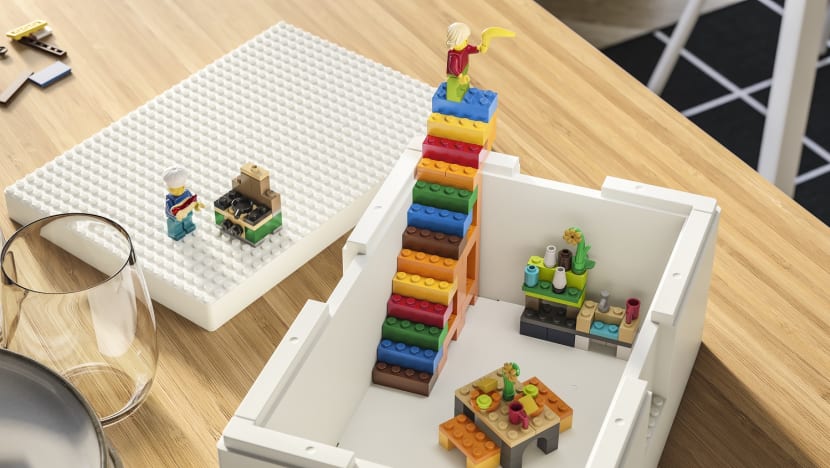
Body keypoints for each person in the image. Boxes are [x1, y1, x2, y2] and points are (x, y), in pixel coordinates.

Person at [163, 166, 204, 240]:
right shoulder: (169, 199)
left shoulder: (187, 193)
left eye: (181, 188)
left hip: (187, 213)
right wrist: (174, 215)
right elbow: (168, 210)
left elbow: (192, 200)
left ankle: (188, 227)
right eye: (174, 190)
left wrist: (196, 205)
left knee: (188, 220)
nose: (178, 191)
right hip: (176, 217)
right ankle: (176, 233)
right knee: (175, 226)